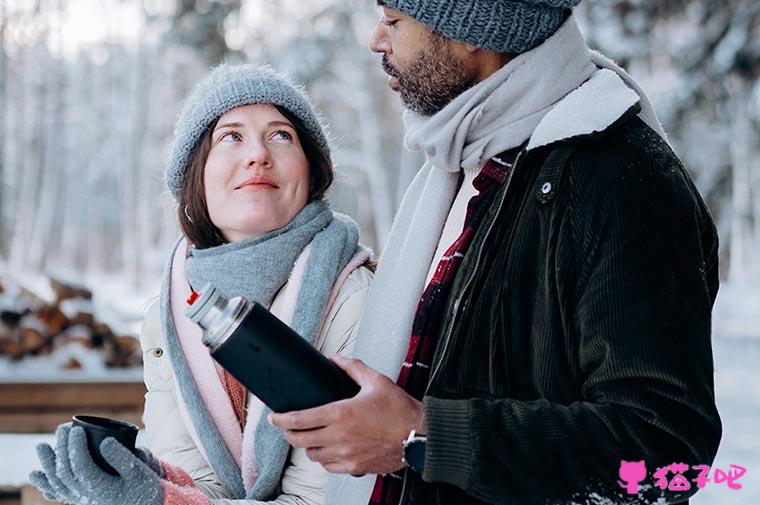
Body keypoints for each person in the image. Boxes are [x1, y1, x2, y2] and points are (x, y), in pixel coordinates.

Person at [268, 1, 722, 504]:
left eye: (395, 20)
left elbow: (666, 450)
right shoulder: (461, 164)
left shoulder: (619, 178)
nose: (377, 40)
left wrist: (423, 437)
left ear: (474, 31)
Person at [29, 64, 374, 505]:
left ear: (311, 172)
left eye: (281, 135)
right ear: (197, 172)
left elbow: (321, 501)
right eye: (231, 136)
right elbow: (208, 485)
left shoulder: (352, 299)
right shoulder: (172, 315)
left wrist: (162, 501)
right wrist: (149, 480)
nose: (258, 155)